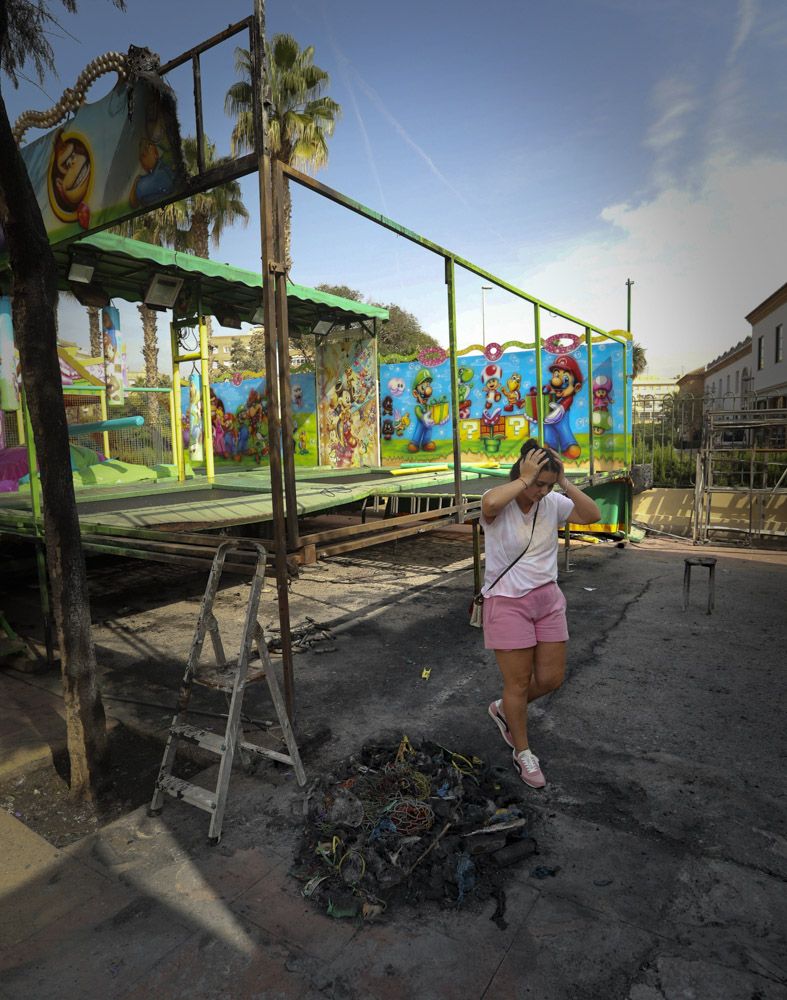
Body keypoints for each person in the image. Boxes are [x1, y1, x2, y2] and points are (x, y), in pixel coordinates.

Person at [480, 438, 601, 788]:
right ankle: (523, 752)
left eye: (548, 485)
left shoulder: (552, 501)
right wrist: (524, 479)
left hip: (548, 600)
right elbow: (487, 502)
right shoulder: (501, 503)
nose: (542, 492)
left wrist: (562, 481)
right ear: (523, 473)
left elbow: (592, 515)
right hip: (507, 602)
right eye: (538, 484)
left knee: (550, 679)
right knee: (517, 683)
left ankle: (504, 708)